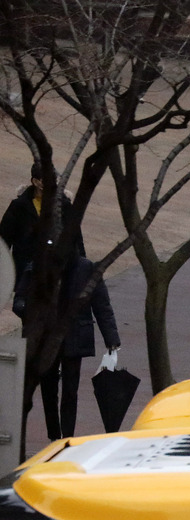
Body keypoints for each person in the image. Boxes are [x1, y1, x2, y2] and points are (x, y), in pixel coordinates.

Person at [13, 253, 120, 440]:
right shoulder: (40, 264)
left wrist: (112, 339)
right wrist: (32, 315)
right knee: (49, 387)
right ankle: (55, 435)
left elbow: (102, 305)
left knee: (70, 389)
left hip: (73, 335)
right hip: (48, 337)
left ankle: (67, 435)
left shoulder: (86, 268)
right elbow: (19, 301)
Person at [0, 163, 85, 279]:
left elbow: (76, 238)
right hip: (26, 273)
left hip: (57, 272)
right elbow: (4, 239)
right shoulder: (19, 206)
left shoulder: (64, 206)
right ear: (35, 182)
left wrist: (81, 271)